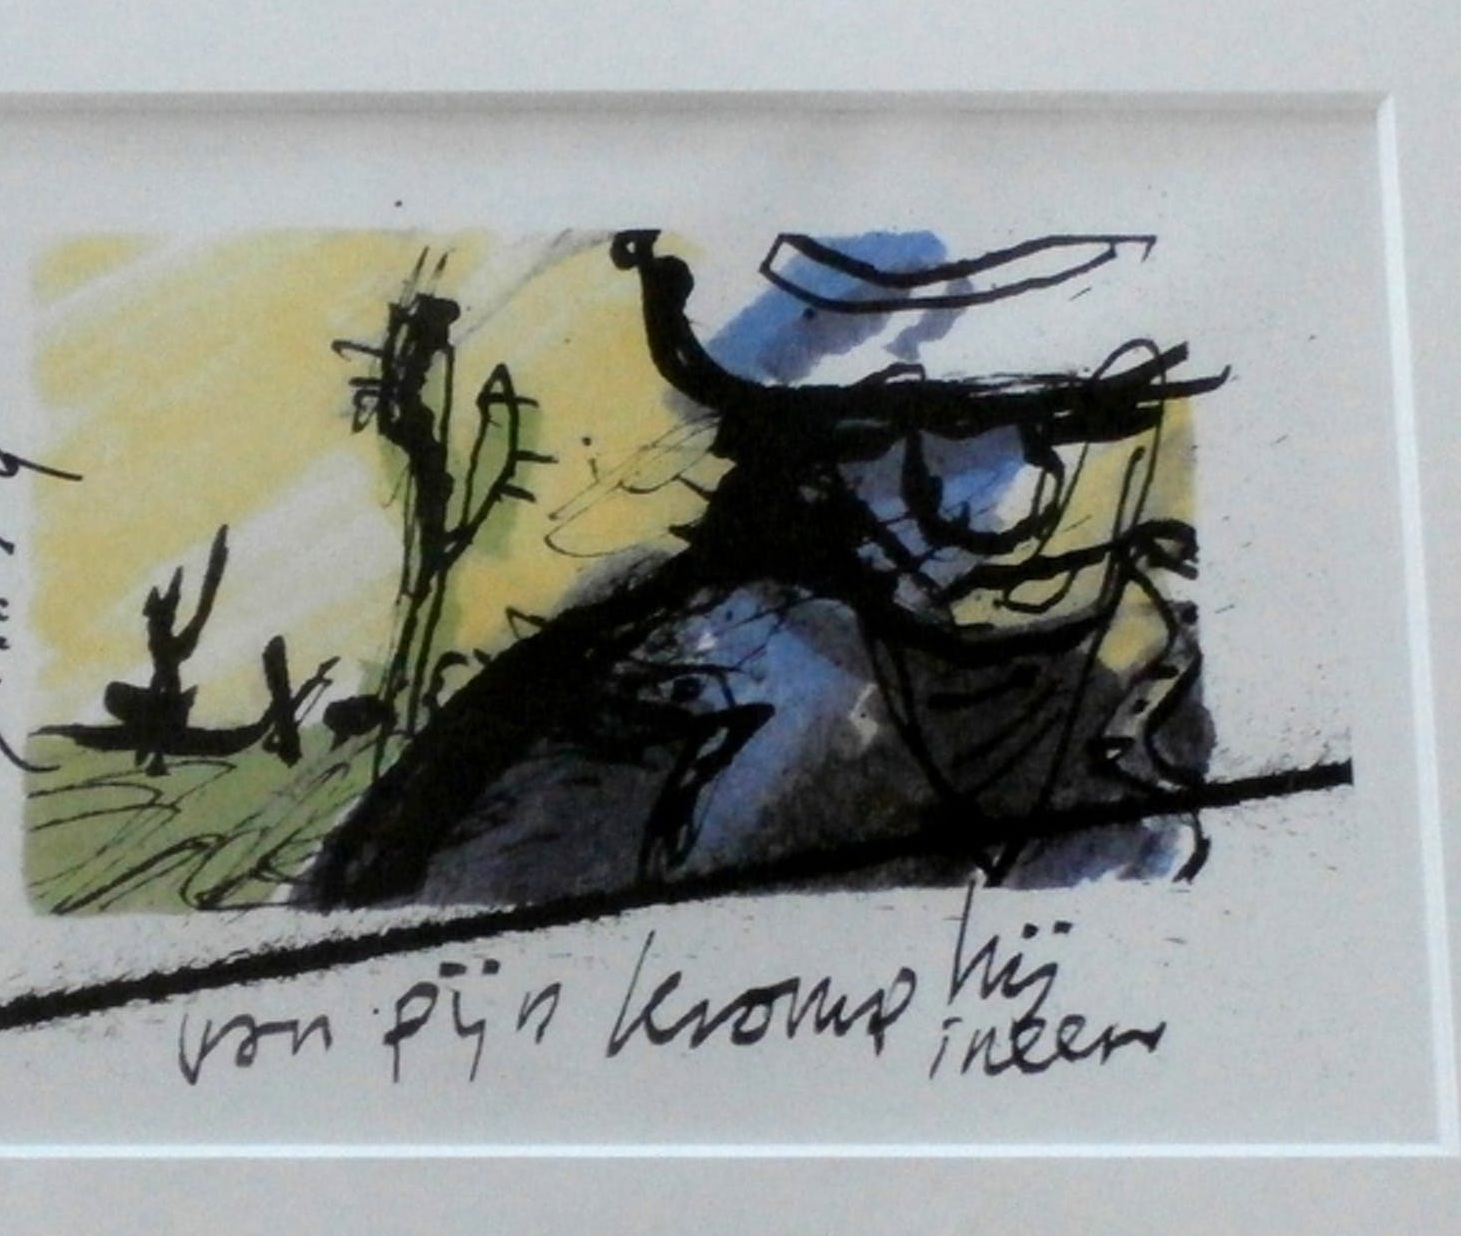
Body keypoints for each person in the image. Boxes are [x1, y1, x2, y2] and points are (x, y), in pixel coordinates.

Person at [302, 227, 1225, 910]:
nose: (1013, 485)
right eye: (992, 441)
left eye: (1033, 440)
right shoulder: (686, 676)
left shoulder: (1046, 691)